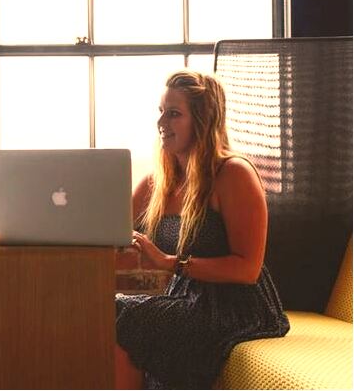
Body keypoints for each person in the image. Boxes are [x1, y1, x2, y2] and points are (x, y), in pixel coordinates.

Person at [115, 70, 290, 389]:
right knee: (108, 309)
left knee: (122, 315)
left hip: (236, 308)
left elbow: (247, 269)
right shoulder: (158, 183)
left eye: (174, 114)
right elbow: (111, 234)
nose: (161, 122)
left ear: (202, 120)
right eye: (161, 112)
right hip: (184, 299)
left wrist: (169, 262)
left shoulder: (233, 174)